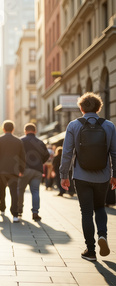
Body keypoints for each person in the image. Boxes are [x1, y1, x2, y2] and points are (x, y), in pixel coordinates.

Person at [59, 92, 116, 261]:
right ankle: (103, 236)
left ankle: (90, 250)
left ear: (81, 108)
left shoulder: (74, 125)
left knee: (86, 212)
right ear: (99, 108)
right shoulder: (109, 126)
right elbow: (114, 153)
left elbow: (67, 153)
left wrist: (64, 175)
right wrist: (114, 175)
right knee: (100, 207)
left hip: (81, 176)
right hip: (103, 176)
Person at [0, 120, 26, 222]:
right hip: (14, 171)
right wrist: (21, 170)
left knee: (1, 190)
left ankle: (2, 208)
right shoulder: (18, 141)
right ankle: (15, 214)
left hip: (1, 170)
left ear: (3, 129)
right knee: (14, 192)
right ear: (13, 129)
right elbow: (22, 156)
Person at [17, 123, 50, 221]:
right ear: (35, 131)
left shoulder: (20, 141)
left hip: (24, 170)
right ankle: (35, 212)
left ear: (25, 131)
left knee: (20, 190)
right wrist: (40, 163)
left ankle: (19, 211)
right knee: (35, 191)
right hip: (37, 170)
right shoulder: (40, 142)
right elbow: (47, 155)